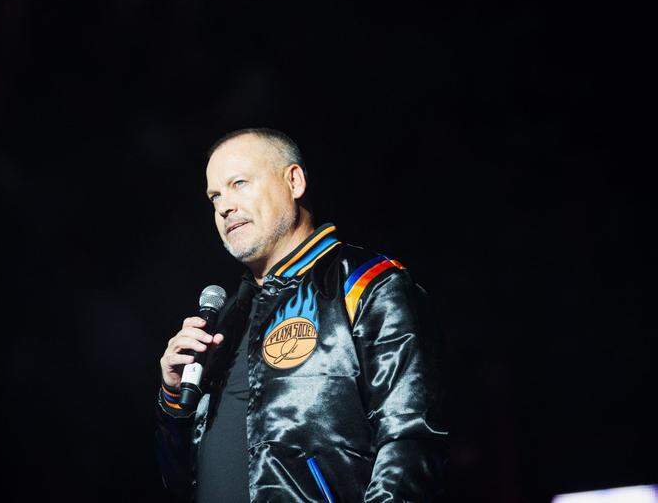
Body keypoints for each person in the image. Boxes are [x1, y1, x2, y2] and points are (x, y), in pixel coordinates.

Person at [156, 128, 447, 501]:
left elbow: (410, 439)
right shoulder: (225, 321)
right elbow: (179, 479)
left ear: (293, 181)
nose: (224, 206)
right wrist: (173, 400)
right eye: (215, 195)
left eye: (239, 183)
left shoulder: (364, 284)